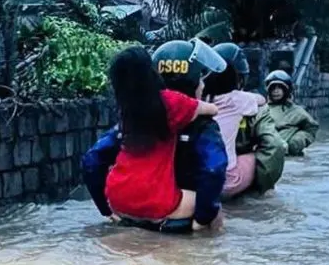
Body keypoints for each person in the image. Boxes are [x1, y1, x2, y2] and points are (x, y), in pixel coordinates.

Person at [82, 40, 228, 233]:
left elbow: (91, 160)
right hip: (173, 216)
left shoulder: (130, 121)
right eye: (200, 79)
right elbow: (214, 169)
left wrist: (105, 208)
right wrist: (203, 218)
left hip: (124, 212)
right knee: (216, 217)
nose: (202, 84)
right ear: (193, 82)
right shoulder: (202, 126)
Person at [204, 43, 267, 199]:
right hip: (226, 182)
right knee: (256, 156)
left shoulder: (198, 100)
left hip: (197, 181)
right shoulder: (238, 99)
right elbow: (262, 100)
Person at [264, 69, 319, 156]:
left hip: (289, 152)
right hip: (268, 151)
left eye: (279, 88)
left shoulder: (296, 111)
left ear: (286, 90)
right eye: (273, 88)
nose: (276, 91)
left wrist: (298, 141)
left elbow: (311, 128)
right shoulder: (263, 110)